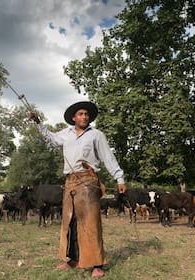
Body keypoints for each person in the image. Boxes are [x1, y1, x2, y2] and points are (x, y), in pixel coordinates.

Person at [29, 101, 127, 278]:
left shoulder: (96, 135)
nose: (84, 117)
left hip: (88, 181)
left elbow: (108, 157)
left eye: (86, 114)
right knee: (70, 221)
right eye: (80, 114)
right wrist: (38, 122)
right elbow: (50, 138)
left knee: (90, 223)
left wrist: (119, 177)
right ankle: (73, 259)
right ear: (73, 117)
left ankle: (97, 264)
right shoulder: (66, 134)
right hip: (70, 183)